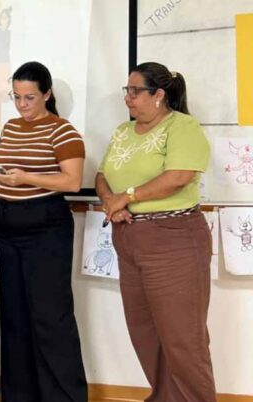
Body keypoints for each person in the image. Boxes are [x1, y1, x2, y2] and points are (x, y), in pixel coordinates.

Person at [96, 62, 216, 401]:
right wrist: (111, 202)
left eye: (135, 91)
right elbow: (102, 175)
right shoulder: (123, 131)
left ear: (159, 94)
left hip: (173, 238)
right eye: (127, 90)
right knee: (144, 332)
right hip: (128, 238)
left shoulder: (182, 126)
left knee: (183, 337)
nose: (128, 98)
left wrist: (127, 197)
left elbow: (178, 176)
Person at [0, 61, 87, 401]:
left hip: (45, 228)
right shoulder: (11, 127)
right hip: (8, 225)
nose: (22, 104)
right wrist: (0, 193)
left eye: (29, 97)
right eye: (16, 97)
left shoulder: (63, 130)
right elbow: (4, 170)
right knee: (14, 317)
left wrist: (25, 178)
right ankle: (19, 396)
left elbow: (72, 181)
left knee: (51, 318)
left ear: (47, 94)